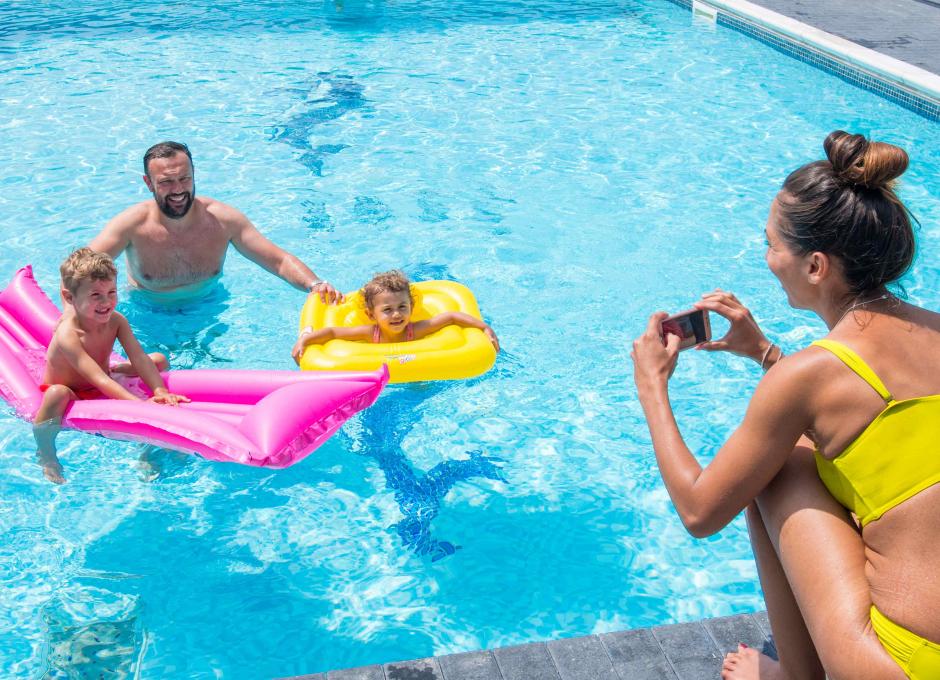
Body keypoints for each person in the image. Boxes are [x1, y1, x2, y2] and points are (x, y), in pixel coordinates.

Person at [631, 131, 939, 680]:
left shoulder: (807, 377)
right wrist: (765, 352)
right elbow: (858, 412)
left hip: (906, 665)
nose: (768, 258)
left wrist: (652, 386)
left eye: (772, 244)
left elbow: (701, 512)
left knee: (774, 467)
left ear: (815, 265)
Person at [89, 141, 342, 304]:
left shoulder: (223, 220)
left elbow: (278, 260)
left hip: (208, 307)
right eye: (166, 182)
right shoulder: (131, 226)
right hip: (148, 313)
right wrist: (70, 314)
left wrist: (315, 284)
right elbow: (79, 269)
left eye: (184, 179)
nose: (178, 189)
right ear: (148, 183)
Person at [34, 248, 189, 484]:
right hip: (75, 391)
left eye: (112, 292)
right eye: (96, 295)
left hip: (106, 376)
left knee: (158, 359)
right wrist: (140, 407)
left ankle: (149, 451)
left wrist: (160, 391)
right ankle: (46, 455)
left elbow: (138, 357)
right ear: (69, 298)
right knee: (57, 394)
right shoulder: (68, 333)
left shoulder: (116, 321)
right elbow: (98, 379)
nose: (106, 302)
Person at [291, 269, 499, 362]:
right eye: (387, 310)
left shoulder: (415, 330)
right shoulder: (370, 333)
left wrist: (484, 328)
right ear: (371, 315)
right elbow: (333, 332)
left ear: (411, 306)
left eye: (402, 307)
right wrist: (305, 339)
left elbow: (451, 317)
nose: (397, 314)